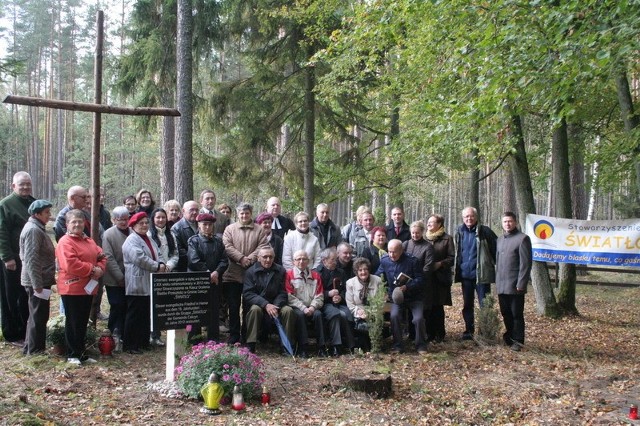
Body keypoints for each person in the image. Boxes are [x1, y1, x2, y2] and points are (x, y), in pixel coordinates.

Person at [55, 209, 107, 364]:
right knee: (73, 322)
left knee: (83, 321)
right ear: (67, 224)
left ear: (85, 223)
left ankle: (81, 352)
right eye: (73, 221)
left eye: (80, 221)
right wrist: (92, 269)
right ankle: (72, 354)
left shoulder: (88, 240)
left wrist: (100, 269)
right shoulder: (65, 242)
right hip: (72, 288)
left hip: (87, 288)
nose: (77, 224)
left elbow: (102, 256)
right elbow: (71, 264)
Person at [222, 203, 269, 344]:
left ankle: (246, 335)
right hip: (232, 274)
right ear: (237, 214)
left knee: (249, 307)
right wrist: (241, 258)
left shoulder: (259, 230)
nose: (244, 216)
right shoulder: (229, 229)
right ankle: (234, 334)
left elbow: (262, 246)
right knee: (233, 306)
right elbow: (227, 246)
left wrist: (250, 259)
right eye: (241, 213)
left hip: (252, 274)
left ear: (251, 213)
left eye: (247, 213)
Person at [122, 212, 166, 354]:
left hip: (149, 281)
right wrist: (157, 266)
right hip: (137, 282)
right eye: (141, 223)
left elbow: (158, 253)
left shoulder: (149, 238)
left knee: (146, 314)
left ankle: (143, 341)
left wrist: (162, 263)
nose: (145, 225)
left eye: (147, 223)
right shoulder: (131, 240)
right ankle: (130, 345)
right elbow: (139, 258)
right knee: (134, 314)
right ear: (134, 225)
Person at [0, 171, 35, 345]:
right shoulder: (5, 204)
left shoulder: (33, 203)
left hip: (28, 259)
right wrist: (7, 258)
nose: (26, 187)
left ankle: (25, 330)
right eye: (22, 184)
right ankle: (12, 333)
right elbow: (2, 233)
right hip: (12, 259)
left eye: (28, 184)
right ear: (13, 186)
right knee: (9, 297)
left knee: (25, 295)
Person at [376, 239, 427, 354]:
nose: (391, 255)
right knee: (394, 316)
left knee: (418, 319)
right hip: (395, 297)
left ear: (401, 250)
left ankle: (421, 345)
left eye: (394, 252)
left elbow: (421, 279)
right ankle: (398, 345)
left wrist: (407, 286)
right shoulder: (385, 261)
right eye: (389, 252)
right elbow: (378, 276)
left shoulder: (412, 261)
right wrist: (383, 291)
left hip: (413, 296)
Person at [454, 206, 498, 340]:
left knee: (485, 305)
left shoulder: (485, 232)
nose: (469, 218)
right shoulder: (459, 232)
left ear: (476, 217)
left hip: (482, 275)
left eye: (471, 216)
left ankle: (486, 332)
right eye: (466, 216)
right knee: (467, 305)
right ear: (463, 218)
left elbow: (496, 250)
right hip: (465, 276)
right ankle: (469, 331)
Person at [19, 199, 55, 355]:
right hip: (37, 280)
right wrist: (37, 284)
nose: (49, 215)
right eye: (46, 212)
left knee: (36, 315)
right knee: (38, 316)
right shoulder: (33, 230)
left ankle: (30, 347)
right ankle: (35, 351)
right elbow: (31, 259)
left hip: (40, 279)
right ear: (37, 214)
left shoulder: (37, 227)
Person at [242, 247, 294, 353]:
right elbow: (248, 293)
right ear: (258, 258)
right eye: (265, 257)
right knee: (254, 310)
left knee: (288, 311)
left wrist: (275, 305)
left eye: (271, 257)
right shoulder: (250, 272)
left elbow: (283, 292)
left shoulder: (281, 271)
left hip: (276, 304)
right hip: (259, 304)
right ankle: (251, 345)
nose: (268, 260)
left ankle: (286, 346)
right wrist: (266, 304)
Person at [187, 213, 229, 342]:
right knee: (195, 310)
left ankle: (213, 339)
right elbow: (194, 260)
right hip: (197, 281)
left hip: (215, 281)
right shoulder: (193, 240)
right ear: (199, 225)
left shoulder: (218, 241)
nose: (207, 227)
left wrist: (216, 272)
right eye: (204, 224)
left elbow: (224, 260)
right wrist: (208, 272)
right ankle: (194, 339)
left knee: (213, 309)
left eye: (209, 225)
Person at [496, 212, 532, 352]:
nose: (507, 224)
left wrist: (521, 283)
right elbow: (498, 263)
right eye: (505, 222)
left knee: (516, 314)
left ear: (515, 222)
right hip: (502, 284)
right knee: (505, 313)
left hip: (515, 285)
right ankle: (509, 336)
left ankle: (518, 341)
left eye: (510, 221)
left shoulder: (523, 239)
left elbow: (526, 264)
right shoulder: (500, 240)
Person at [285, 250, 326, 358]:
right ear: (294, 261)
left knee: (318, 315)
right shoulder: (289, 275)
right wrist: (303, 308)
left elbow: (320, 295)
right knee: (300, 315)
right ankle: (303, 348)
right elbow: (290, 297)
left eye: (304, 259)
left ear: (308, 261)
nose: (301, 261)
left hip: (312, 306)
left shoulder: (316, 275)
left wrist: (312, 307)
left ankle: (322, 347)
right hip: (297, 307)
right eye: (298, 259)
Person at [148, 208, 179, 345]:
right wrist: (158, 266)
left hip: (167, 273)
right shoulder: (148, 234)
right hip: (153, 273)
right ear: (153, 219)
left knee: (162, 305)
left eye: (163, 217)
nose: (160, 220)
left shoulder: (171, 234)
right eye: (158, 217)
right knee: (151, 305)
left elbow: (175, 254)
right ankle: (151, 334)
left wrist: (168, 266)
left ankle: (158, 334)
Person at [315, 248, 353, 356]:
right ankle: (337, 346)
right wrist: (328, 294)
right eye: (332, 260)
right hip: (324, 303)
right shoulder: (317, 273)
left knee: (347, 314)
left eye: (336, 259)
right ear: (324, 261)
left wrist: (340, 297)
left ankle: (351, 345)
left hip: (339, 302)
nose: (336, 262)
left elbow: (346, 289)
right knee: (336, 314)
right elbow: (315, 292)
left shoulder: (340, 272)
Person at [402, 221, 434, 341]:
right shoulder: (405, 245)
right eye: (413, 233)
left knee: (422, 312)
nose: (415, 235)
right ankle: (410, 335)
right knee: (408, 311)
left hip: (422, 284)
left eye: (417, 233)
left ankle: (421, 336)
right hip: (407, 283)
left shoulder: (428, 247)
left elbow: (428, 267)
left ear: (422, 232)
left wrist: (417, 280)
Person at [425, 214, 454, 343]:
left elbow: (452, 258)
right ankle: (429, 333)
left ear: (439, 224)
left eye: (432, 222)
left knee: (438, 307)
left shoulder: (447, 239)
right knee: (428, 306)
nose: (429, 224)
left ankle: (440, 334)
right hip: (427, 278)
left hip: (440, 277)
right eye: (428, 222)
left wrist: (440, 264)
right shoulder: (424, 237)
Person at [102, 206, 130, 339]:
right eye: (120, 220)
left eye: (126, 219)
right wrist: (119, 277)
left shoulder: (132, 232)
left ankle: (125, 332)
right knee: (116, 304)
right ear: (114, 220)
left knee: (127, 305)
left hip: (130, 277)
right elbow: (108, 257)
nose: (123, 222)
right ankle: (113, 331)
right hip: (114, 278)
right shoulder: (108, 234)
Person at [345, 257, 383, 352]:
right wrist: (359, 312)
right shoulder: (350, 283)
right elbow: (350, 304)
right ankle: (361, 347)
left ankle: (374, 345)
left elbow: (381, 301)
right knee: (358, 322)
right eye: (360, 270)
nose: (363, 272)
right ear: (356, 272)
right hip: (358, 312)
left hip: (374, 311)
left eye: (365, 269)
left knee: (375, 320)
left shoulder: (377, 281)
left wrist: (370, 312)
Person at [172, 200, 200, 272]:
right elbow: (179, 250)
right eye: (191, 210)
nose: (194, 212)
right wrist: (196, 257)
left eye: (197, 210)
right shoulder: (176, 228)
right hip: (185, 268)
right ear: (183, 211)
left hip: (202, 267)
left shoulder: (202, 225)